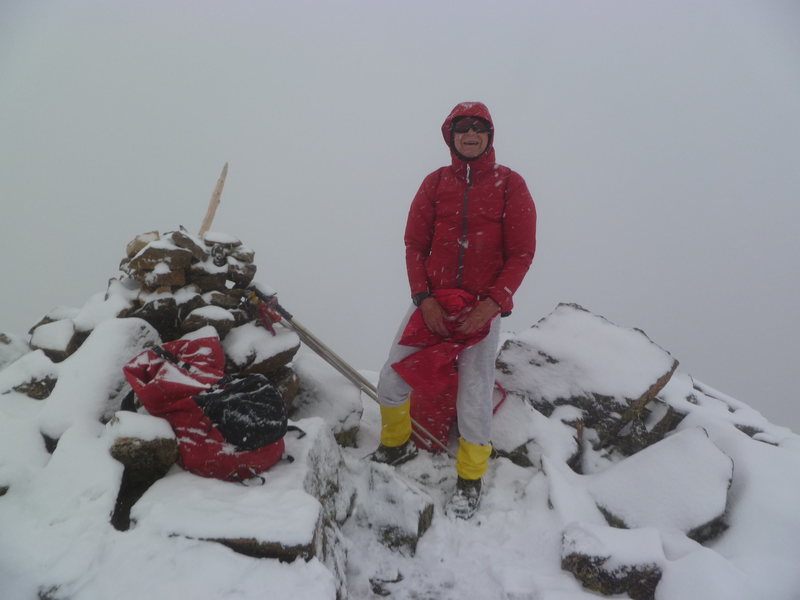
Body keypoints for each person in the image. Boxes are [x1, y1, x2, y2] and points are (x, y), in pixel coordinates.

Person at [372, 101, 537, 519]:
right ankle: (394, 445)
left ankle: (469, 477)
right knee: (392, 379)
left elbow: (521, 253)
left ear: (489, 136)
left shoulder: (510, 185)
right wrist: (423, 298)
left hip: (481, 310)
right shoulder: (435, 183)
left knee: (474, 395)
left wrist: (493, 304)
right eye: (461, 127)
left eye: (478, 128)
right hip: (433, 302)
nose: (470, 134)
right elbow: (414, 244)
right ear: (450, 136)